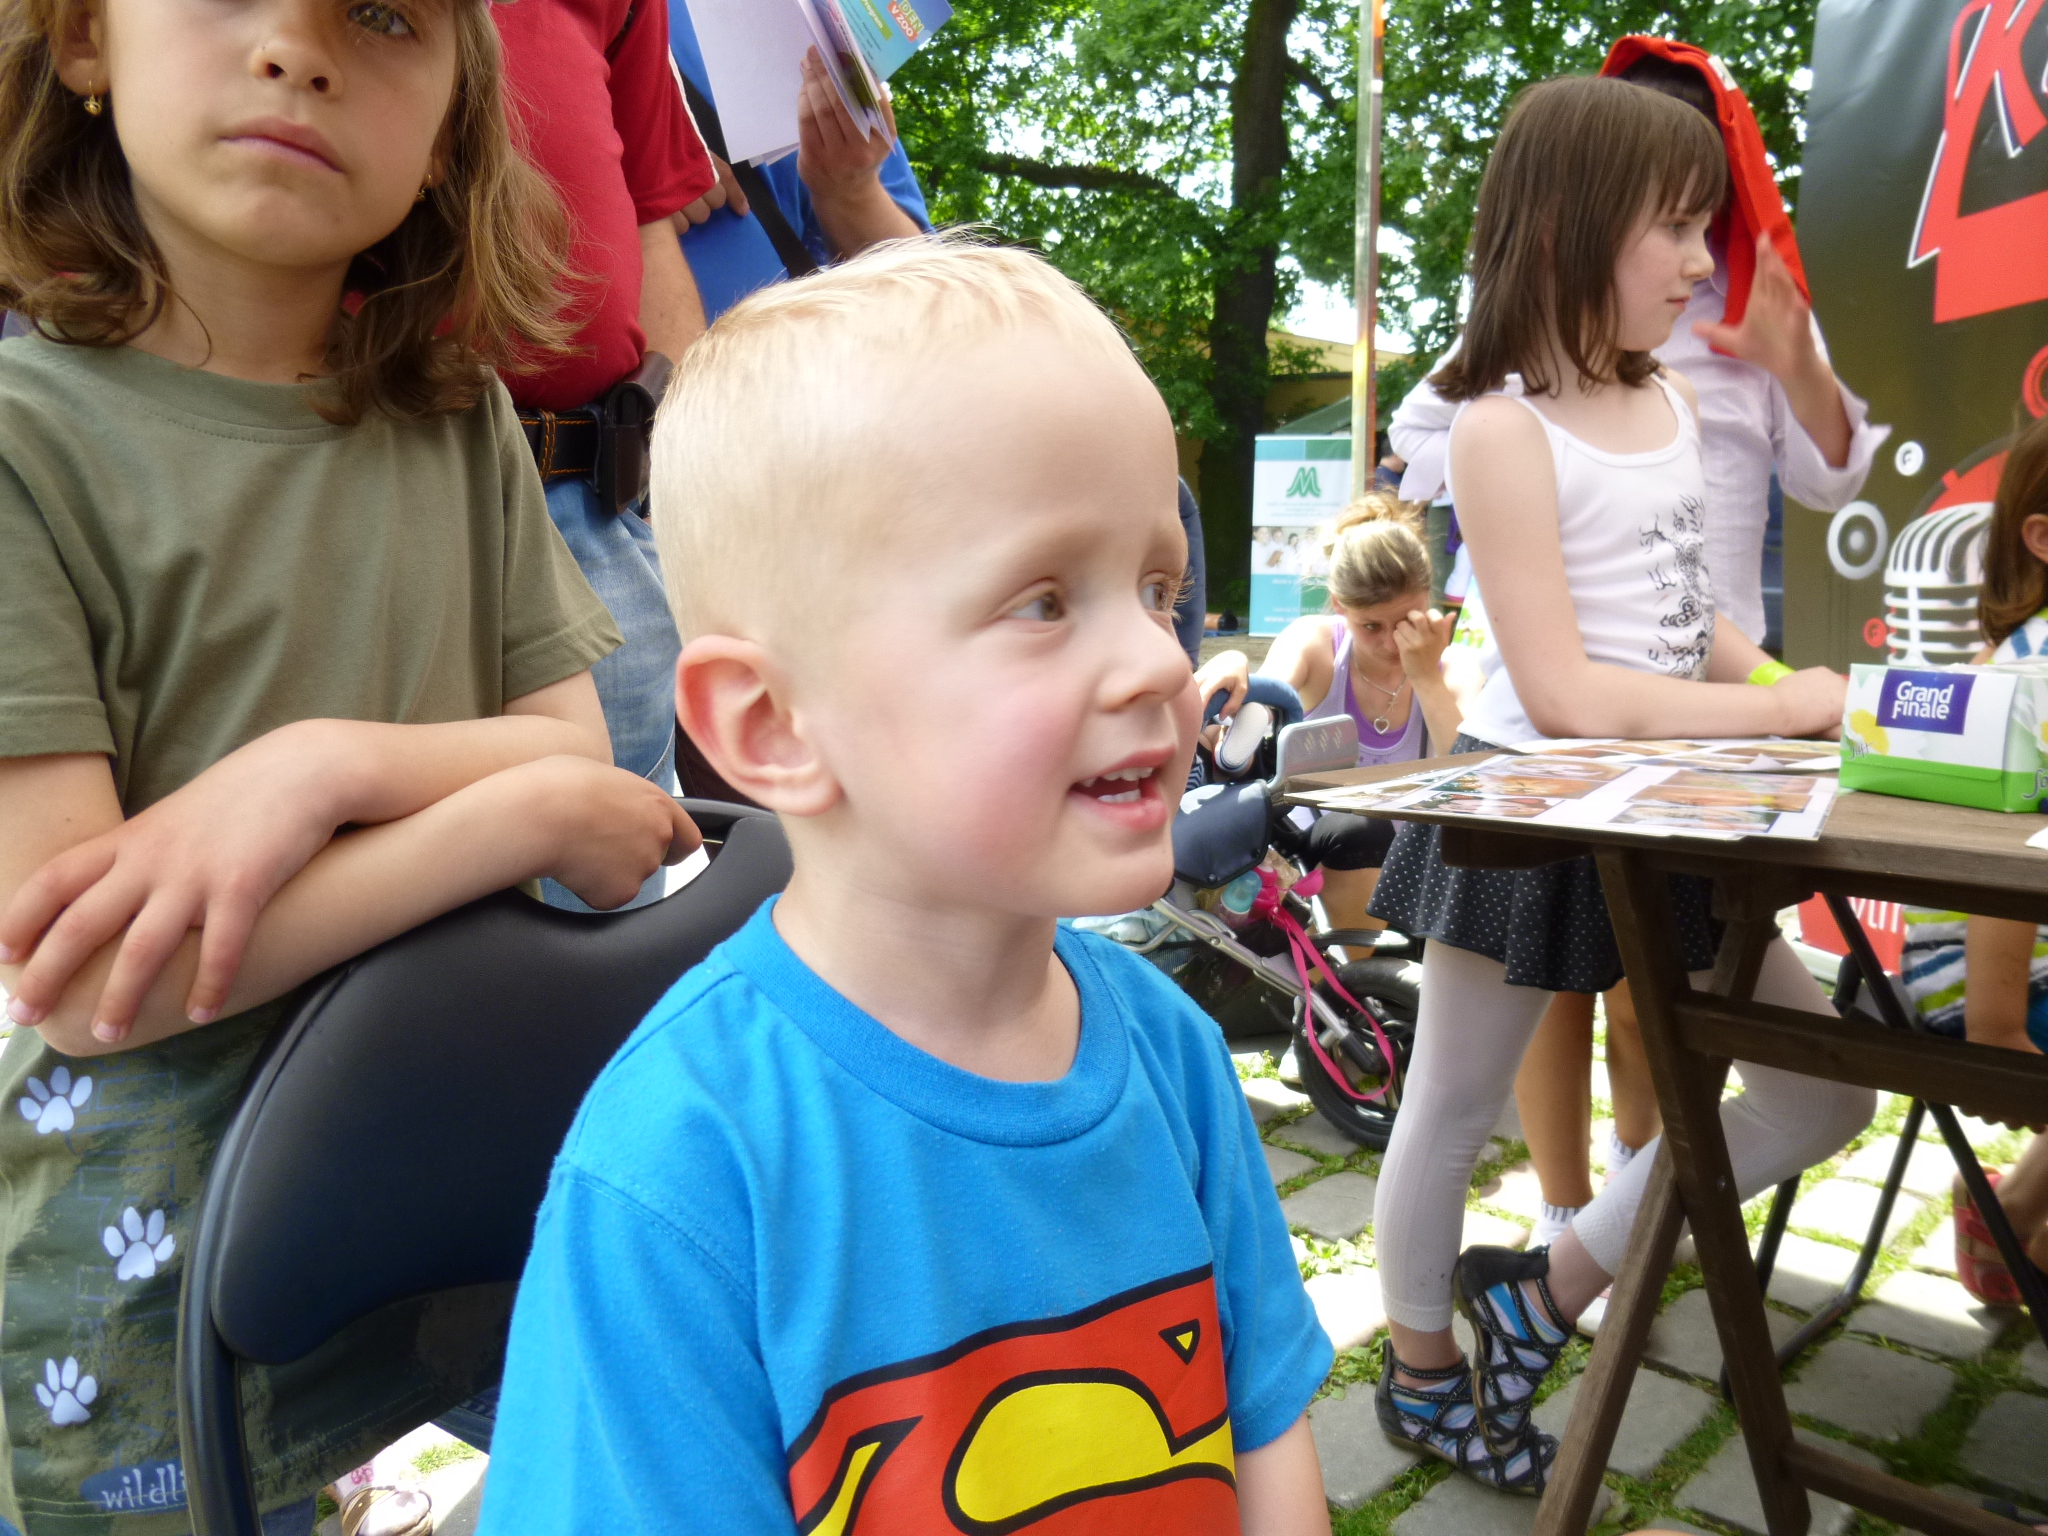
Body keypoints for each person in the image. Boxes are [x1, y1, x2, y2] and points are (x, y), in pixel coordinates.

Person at [474, 239, 1335, 1534]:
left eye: (1157, 587)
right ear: (772, 725)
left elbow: (1261, 1437)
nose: (1162, 663)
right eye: (1042, 601)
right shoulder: (681, 1167)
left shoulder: (1171, 1053)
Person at [0, 0, 698, 1527]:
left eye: (383, 16)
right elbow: (93, 976)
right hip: (142, 1263)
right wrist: (512, 810)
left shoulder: (461, 425)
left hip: (451, 1166)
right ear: (83, 42)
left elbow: (574, 755)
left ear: (453, 124)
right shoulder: (19, 446)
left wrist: (312, 772)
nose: (298, 50)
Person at [1361, 76, 1872, 1497]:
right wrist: (1781, 711)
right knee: (1451, 1102)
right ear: (1569, 233)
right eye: (1676, 228)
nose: (1704, 263)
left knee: (1823, 1095)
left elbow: (1684, 627)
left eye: (1705, 227)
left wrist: (1799, 696)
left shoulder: (1668, 405)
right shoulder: (1498, 429)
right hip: (1530, 815)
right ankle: (1419, 1371)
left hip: (1667, 808)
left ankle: (1545, 1286)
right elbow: (1568, 692)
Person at [492, 0, 717, 909]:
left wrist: (681, 493)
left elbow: (647, 212)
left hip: (592, 505)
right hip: (349, 491)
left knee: (611, 923)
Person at [1898, 411, 2048, 1305]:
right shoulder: (2034, 675)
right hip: (1987, 979)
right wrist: (1996, 1029)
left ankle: (2010, 1218)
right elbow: (2001, 861)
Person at [1199, 494, 1460, 931]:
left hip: (1415, 871)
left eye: (1405, 622)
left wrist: (1427, 680)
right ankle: (1349, 976)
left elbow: (1473, 784)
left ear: (1428, 599)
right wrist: (1234, 666)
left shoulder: (1454, 667)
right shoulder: (1315, 642)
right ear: (1340, 606)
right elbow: (1263, 699)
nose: (1390, 643)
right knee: (1361, 830)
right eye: (1371, 626)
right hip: (1314, 855)